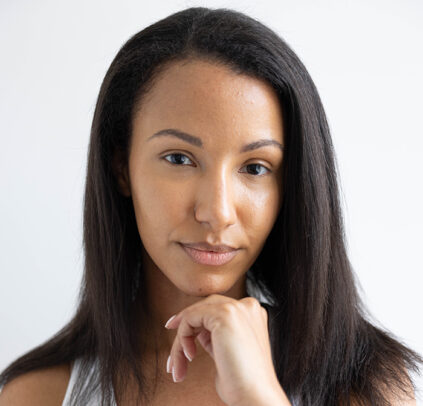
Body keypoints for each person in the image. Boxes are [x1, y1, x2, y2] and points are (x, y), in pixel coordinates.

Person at [0, 6, 421, 406]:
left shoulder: (366, 385)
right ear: (121, 166)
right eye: (179, 159)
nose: (217, 212)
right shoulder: (37, 395)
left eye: (255, 167)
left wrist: (259, 396)